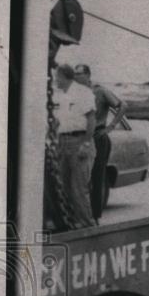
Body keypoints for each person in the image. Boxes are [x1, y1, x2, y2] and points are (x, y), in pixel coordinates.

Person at [73, 63, 126, 220]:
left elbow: (123, 106)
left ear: (88, 75)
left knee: (97, 178)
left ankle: (95, 217)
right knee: (79, 178)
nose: (76, 77)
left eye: (79, 74)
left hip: (98, 137)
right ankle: (80, 216)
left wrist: (110, 127)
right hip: (80, 137)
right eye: (74, 74)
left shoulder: (99, 91)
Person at [52, 64, 97, 228]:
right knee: (64, 186)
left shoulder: (83, 92)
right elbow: (59, 121)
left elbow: (91, 119)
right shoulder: (61, 95)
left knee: (79, 188)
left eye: (57, 77)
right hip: (63, 142)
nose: (56, 80)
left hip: (79, 141)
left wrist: (85, 143)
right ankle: (71, 224)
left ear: (64, 76)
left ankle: (87, 225)